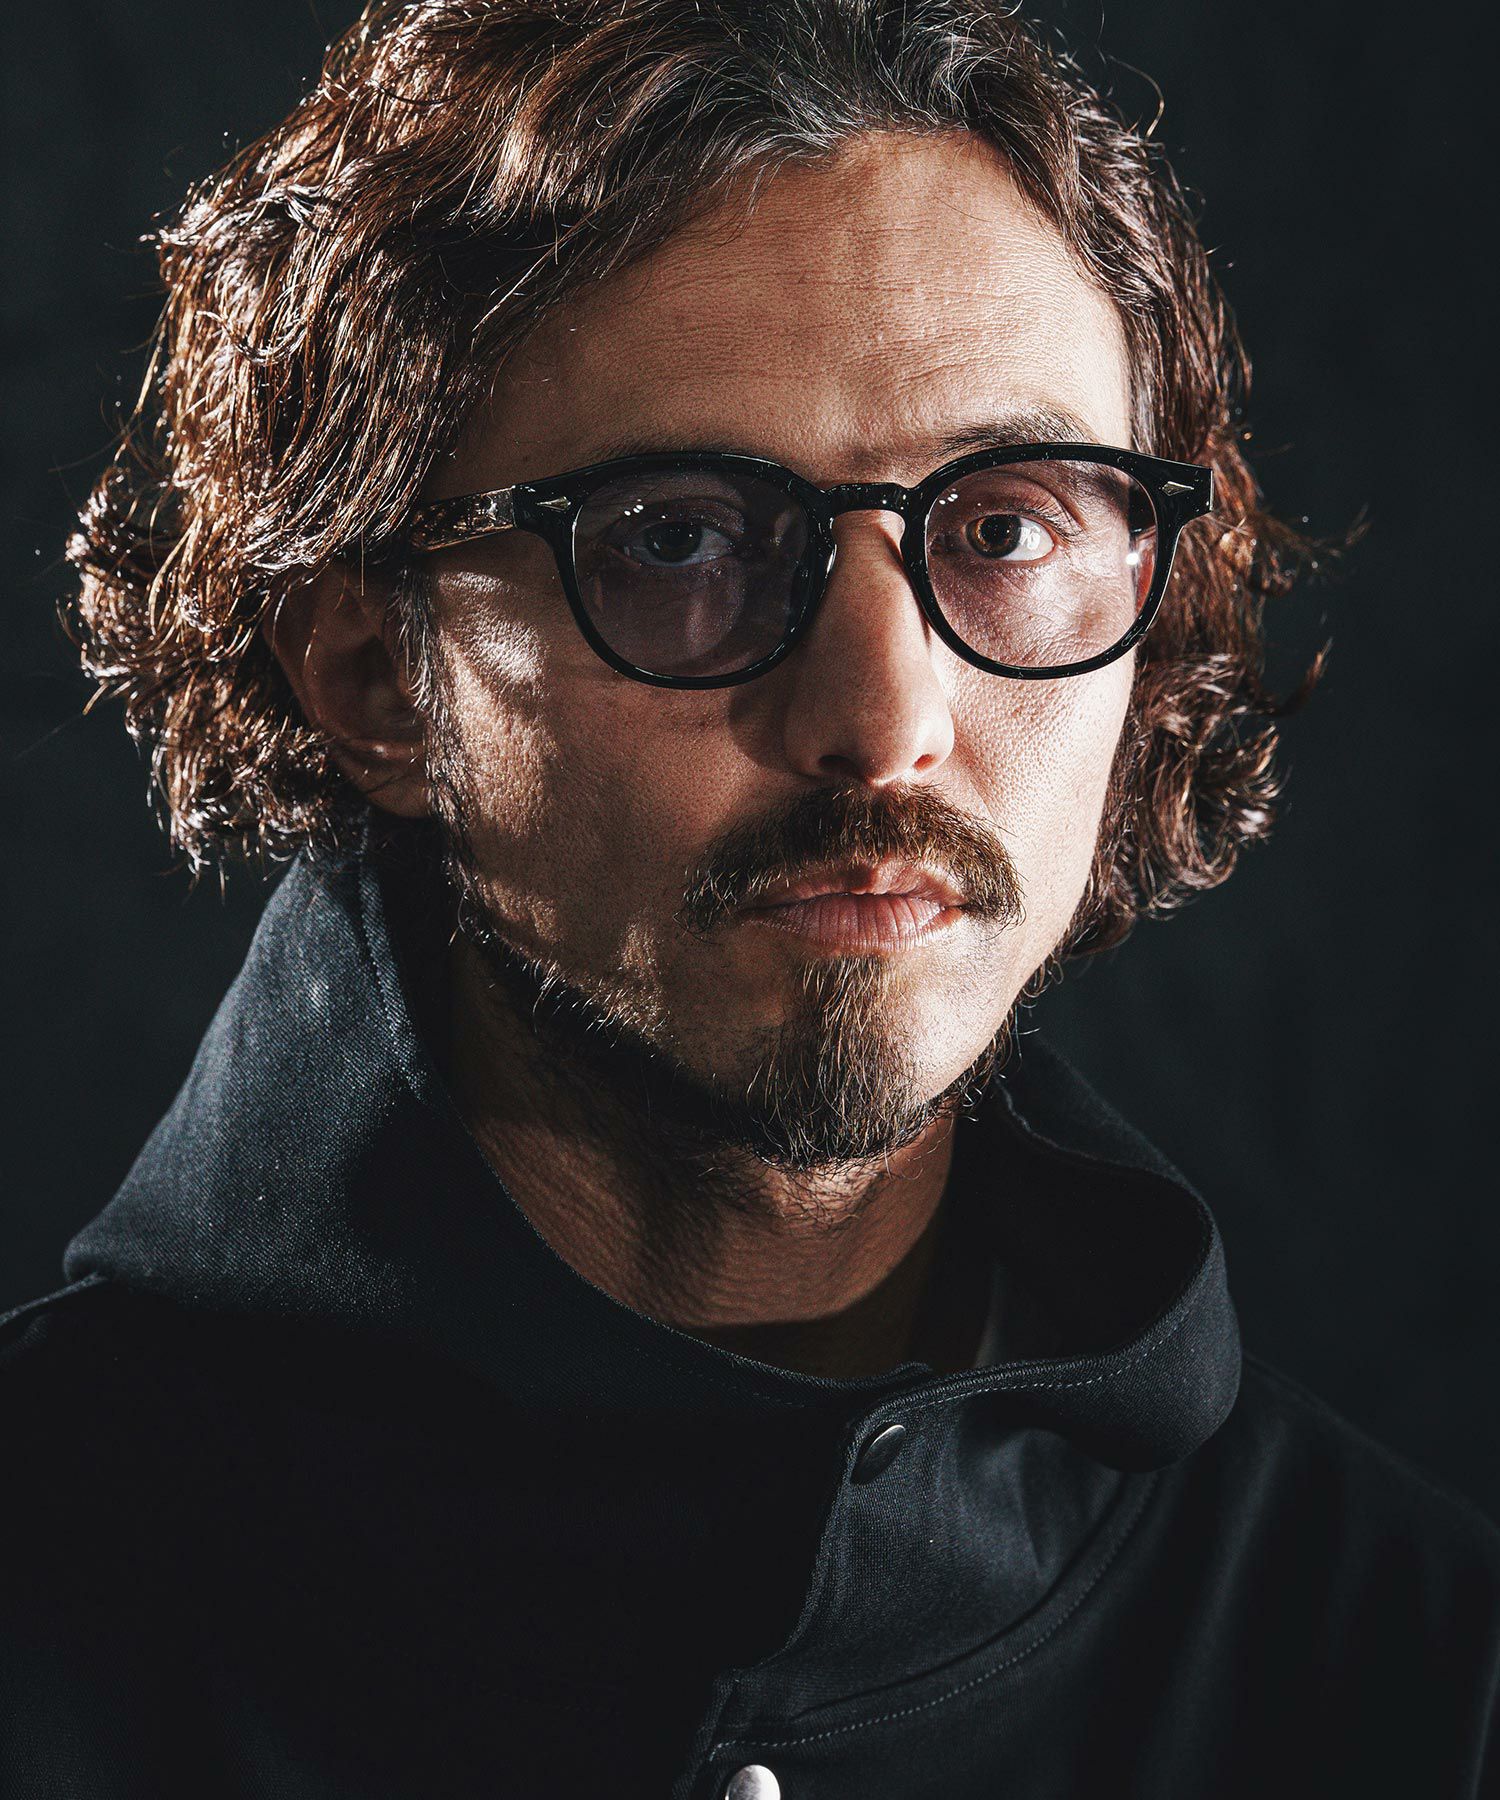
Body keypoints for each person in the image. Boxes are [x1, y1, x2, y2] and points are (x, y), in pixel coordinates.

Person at [4, 1, 1496, 1795]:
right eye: (678, 539)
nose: (883, 719)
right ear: (377, 670)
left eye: (1005, 528)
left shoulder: (1419, 1682)